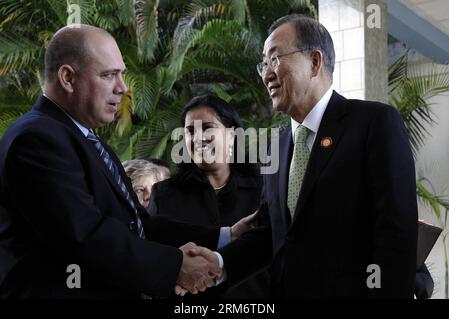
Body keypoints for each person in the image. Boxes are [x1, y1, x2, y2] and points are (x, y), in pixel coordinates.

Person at [185, 14, 418, 298]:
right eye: (263, 63)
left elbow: (396, 233)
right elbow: (272, 235)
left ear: (315, 62)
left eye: (275, 59)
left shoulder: (373, 124)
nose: (266, 73)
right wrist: (220, 263)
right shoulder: (276, 147)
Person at [0, 24, 224, 298]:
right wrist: (176, 266)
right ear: (68, 78)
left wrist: (224, 236)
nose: (122, 88)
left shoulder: (84, 138)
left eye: (122, 75)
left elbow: (138, 224)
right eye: (109, 75)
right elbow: (85, 236)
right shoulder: (37, 139)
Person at [149, 95, 270, 298]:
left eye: (207, 128)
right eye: (190, 131)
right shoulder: (164, 195)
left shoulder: (264, 188)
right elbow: (156, 259)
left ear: (232, 135)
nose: (198, 138)